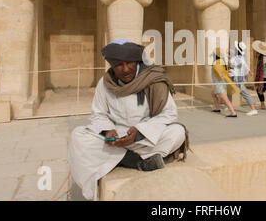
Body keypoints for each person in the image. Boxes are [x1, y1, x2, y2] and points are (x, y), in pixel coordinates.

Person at [68, 39, 188, 200]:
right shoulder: (104, 84)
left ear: (137, 61)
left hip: (145, 138)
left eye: (130, 63)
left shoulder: (154, 80)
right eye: (119, 65)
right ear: (111, 65)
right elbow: (99, 115)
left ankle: (119, 157)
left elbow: (169, 114)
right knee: (78, 135)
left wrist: (140, 132)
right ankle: (135, 161)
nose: (125, 69)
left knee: (177, 132)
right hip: (117, 137)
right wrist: (107, 131)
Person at [227, 42, 258, 116]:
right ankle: (229, 105)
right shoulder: (241, 58)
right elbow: (245, 66)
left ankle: (253, 109)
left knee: (245, 93)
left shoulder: (235, 58)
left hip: (237, 78)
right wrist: (249, 71)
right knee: (229, 90)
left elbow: (232, 67)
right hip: (238, 77)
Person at [210, 47, 240, 118]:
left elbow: (217, 69)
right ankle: (217, 109)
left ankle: (233, 113)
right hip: (219, 83)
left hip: (219, 84)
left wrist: (220, 75)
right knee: (213, 94)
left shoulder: (217, 62)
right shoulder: (221, 61)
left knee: (225, 99)